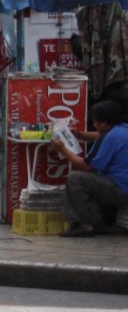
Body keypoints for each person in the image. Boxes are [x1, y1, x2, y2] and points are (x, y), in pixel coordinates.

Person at [52, 100, 128, 237]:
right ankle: (101, 221)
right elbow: (99, 135)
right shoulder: (122, 129)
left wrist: (62, 149)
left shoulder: (110, 138)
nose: (94, 125)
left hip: (122, 188)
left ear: (104, 122)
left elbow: (85, 166)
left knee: (76, 179)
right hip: (122, 184)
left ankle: (85, 225)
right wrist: (80, 134)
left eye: (95, 122)